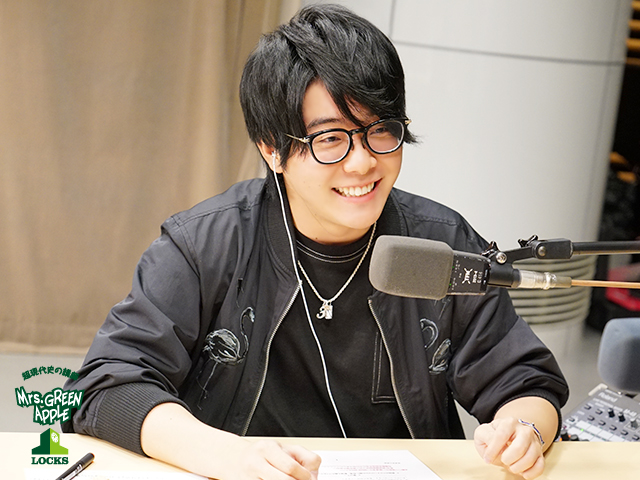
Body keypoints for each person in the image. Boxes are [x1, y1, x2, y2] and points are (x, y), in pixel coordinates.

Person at [63, 4, 569, 480]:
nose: (363, 163)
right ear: (272, 150)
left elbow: (525, 382)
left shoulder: (441, 243)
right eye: (330, 139)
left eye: (380, 130)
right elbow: (106, 386)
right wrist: (228, 454)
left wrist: (524, 428)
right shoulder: (205, 245)